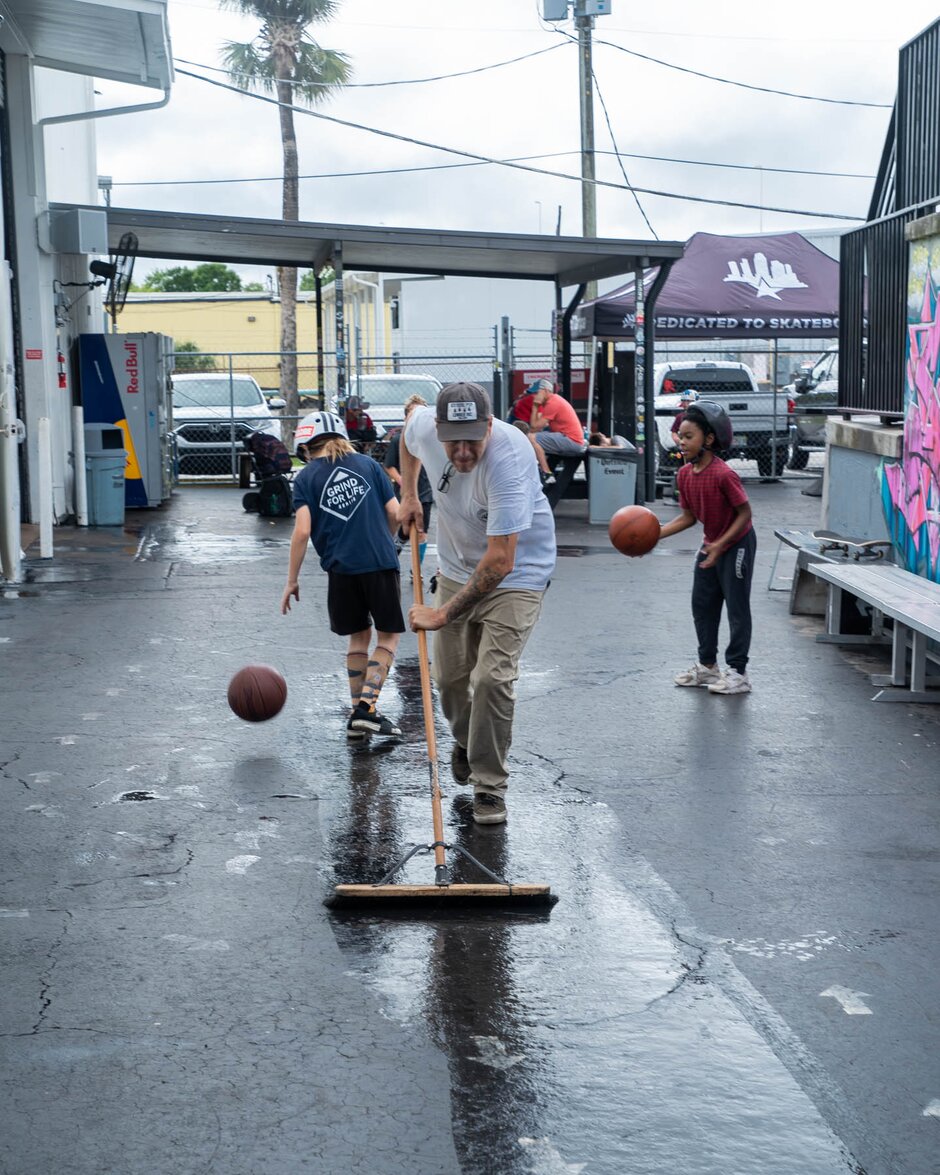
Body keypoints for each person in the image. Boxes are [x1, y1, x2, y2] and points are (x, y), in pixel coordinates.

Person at [398, 382, 556, 825]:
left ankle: (489, 786)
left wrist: (443, 613)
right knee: (449, 679)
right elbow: (406, 435)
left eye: (473, 438)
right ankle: (469, 740)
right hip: (453, 567)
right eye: (454, 440)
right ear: (440, 429)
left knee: (491, 678)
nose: (463, 452)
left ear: (490, 425)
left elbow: (500, 561)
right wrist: (411, 495)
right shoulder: (426, 428)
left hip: (518, 574)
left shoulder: (509, 460)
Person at [281, 409, 405, 738]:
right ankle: (366, 709)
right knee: (388, 636)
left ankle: (358, 716)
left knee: (358, 637)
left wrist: (292, 579)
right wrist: (389, 540)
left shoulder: (305, 477)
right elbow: (395, 512)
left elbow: (302, 531)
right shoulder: (368, 466)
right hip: (379, 562)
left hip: (340, 569)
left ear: (306, 446)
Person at [658, 400, 755, 696]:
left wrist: (721, 545)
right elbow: (688, 517)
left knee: (736, 609)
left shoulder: (724, 474)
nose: (681, 441)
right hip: (711, 544)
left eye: (688, 437)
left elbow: (745, 514)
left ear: (708, 439)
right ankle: (708, 668)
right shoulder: (684, 475)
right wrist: (654, 535)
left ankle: (738, 673)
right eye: (680, 436)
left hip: (737, 543)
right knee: (702, 605)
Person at [384, 394, 433, 569]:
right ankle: (392, 552)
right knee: (403, 531)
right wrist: (403, 481)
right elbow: (389, 466)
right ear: (406, 416)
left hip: (424, 493)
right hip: (403, 494)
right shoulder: (398, 439)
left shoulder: (430, 440)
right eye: (413, 413)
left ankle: (416, 568)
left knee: (421, 533)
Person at [529, 379, 586, 466]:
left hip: (571, 440)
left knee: (531, 438)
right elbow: (535, 427)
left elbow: (534, 427)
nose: (534, 396)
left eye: (536, 393)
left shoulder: (552, 403)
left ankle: (545, 471)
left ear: (546, 391)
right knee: (537, 436)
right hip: (571, 439)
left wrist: (535, 406)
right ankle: (546, 471)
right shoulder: (552, 401)